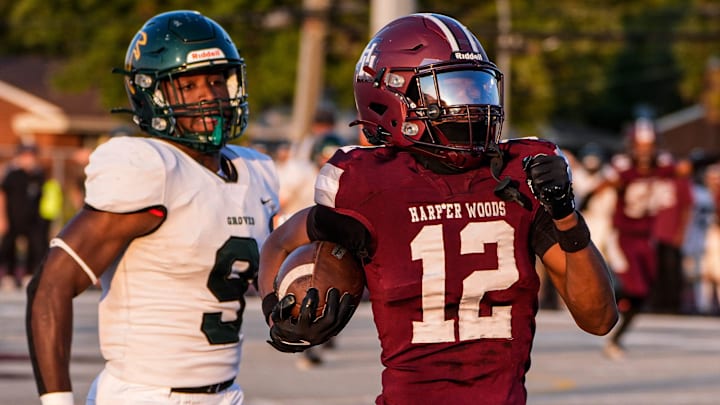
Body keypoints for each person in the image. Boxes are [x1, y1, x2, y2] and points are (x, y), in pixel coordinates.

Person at [257, 13, 618, 405]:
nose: (473, 108)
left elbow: (598, 319)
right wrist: (274, 307)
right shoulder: (369, 184)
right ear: (392, 95)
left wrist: (565, 214)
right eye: (454, 91)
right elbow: (279, 242)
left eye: (477, 89)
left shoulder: (519, 174)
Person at [26, 10, 279, 405]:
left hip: (226, 393)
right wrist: (57, 401)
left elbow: (264, 270)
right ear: (152, 93)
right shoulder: (151, 168)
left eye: (216, 81)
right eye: (188, 84)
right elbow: (50, 285)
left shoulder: (255, 171)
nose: (208, 95)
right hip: (147, 395)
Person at [601, 118, 678, 360]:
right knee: (634, 287)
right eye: (641, 146)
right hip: (623, 237)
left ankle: (616, 337)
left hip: (647, 238)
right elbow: (602, 186)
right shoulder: (622, 167)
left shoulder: (664, 164)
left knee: (643, 294)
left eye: (649, 146)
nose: (645, 151)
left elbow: (686, 167)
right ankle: (597, 304)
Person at [0, 143, 48, 291]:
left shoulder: (38, 175)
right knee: (9, 247)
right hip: (13, 217)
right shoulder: (12, 174)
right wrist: (2, 217)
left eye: (31, 156)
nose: (29, 159)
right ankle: (9, 276)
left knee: (35, 246)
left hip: (33, 218)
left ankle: (29, 274)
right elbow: (2, 195)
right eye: (25, 156)